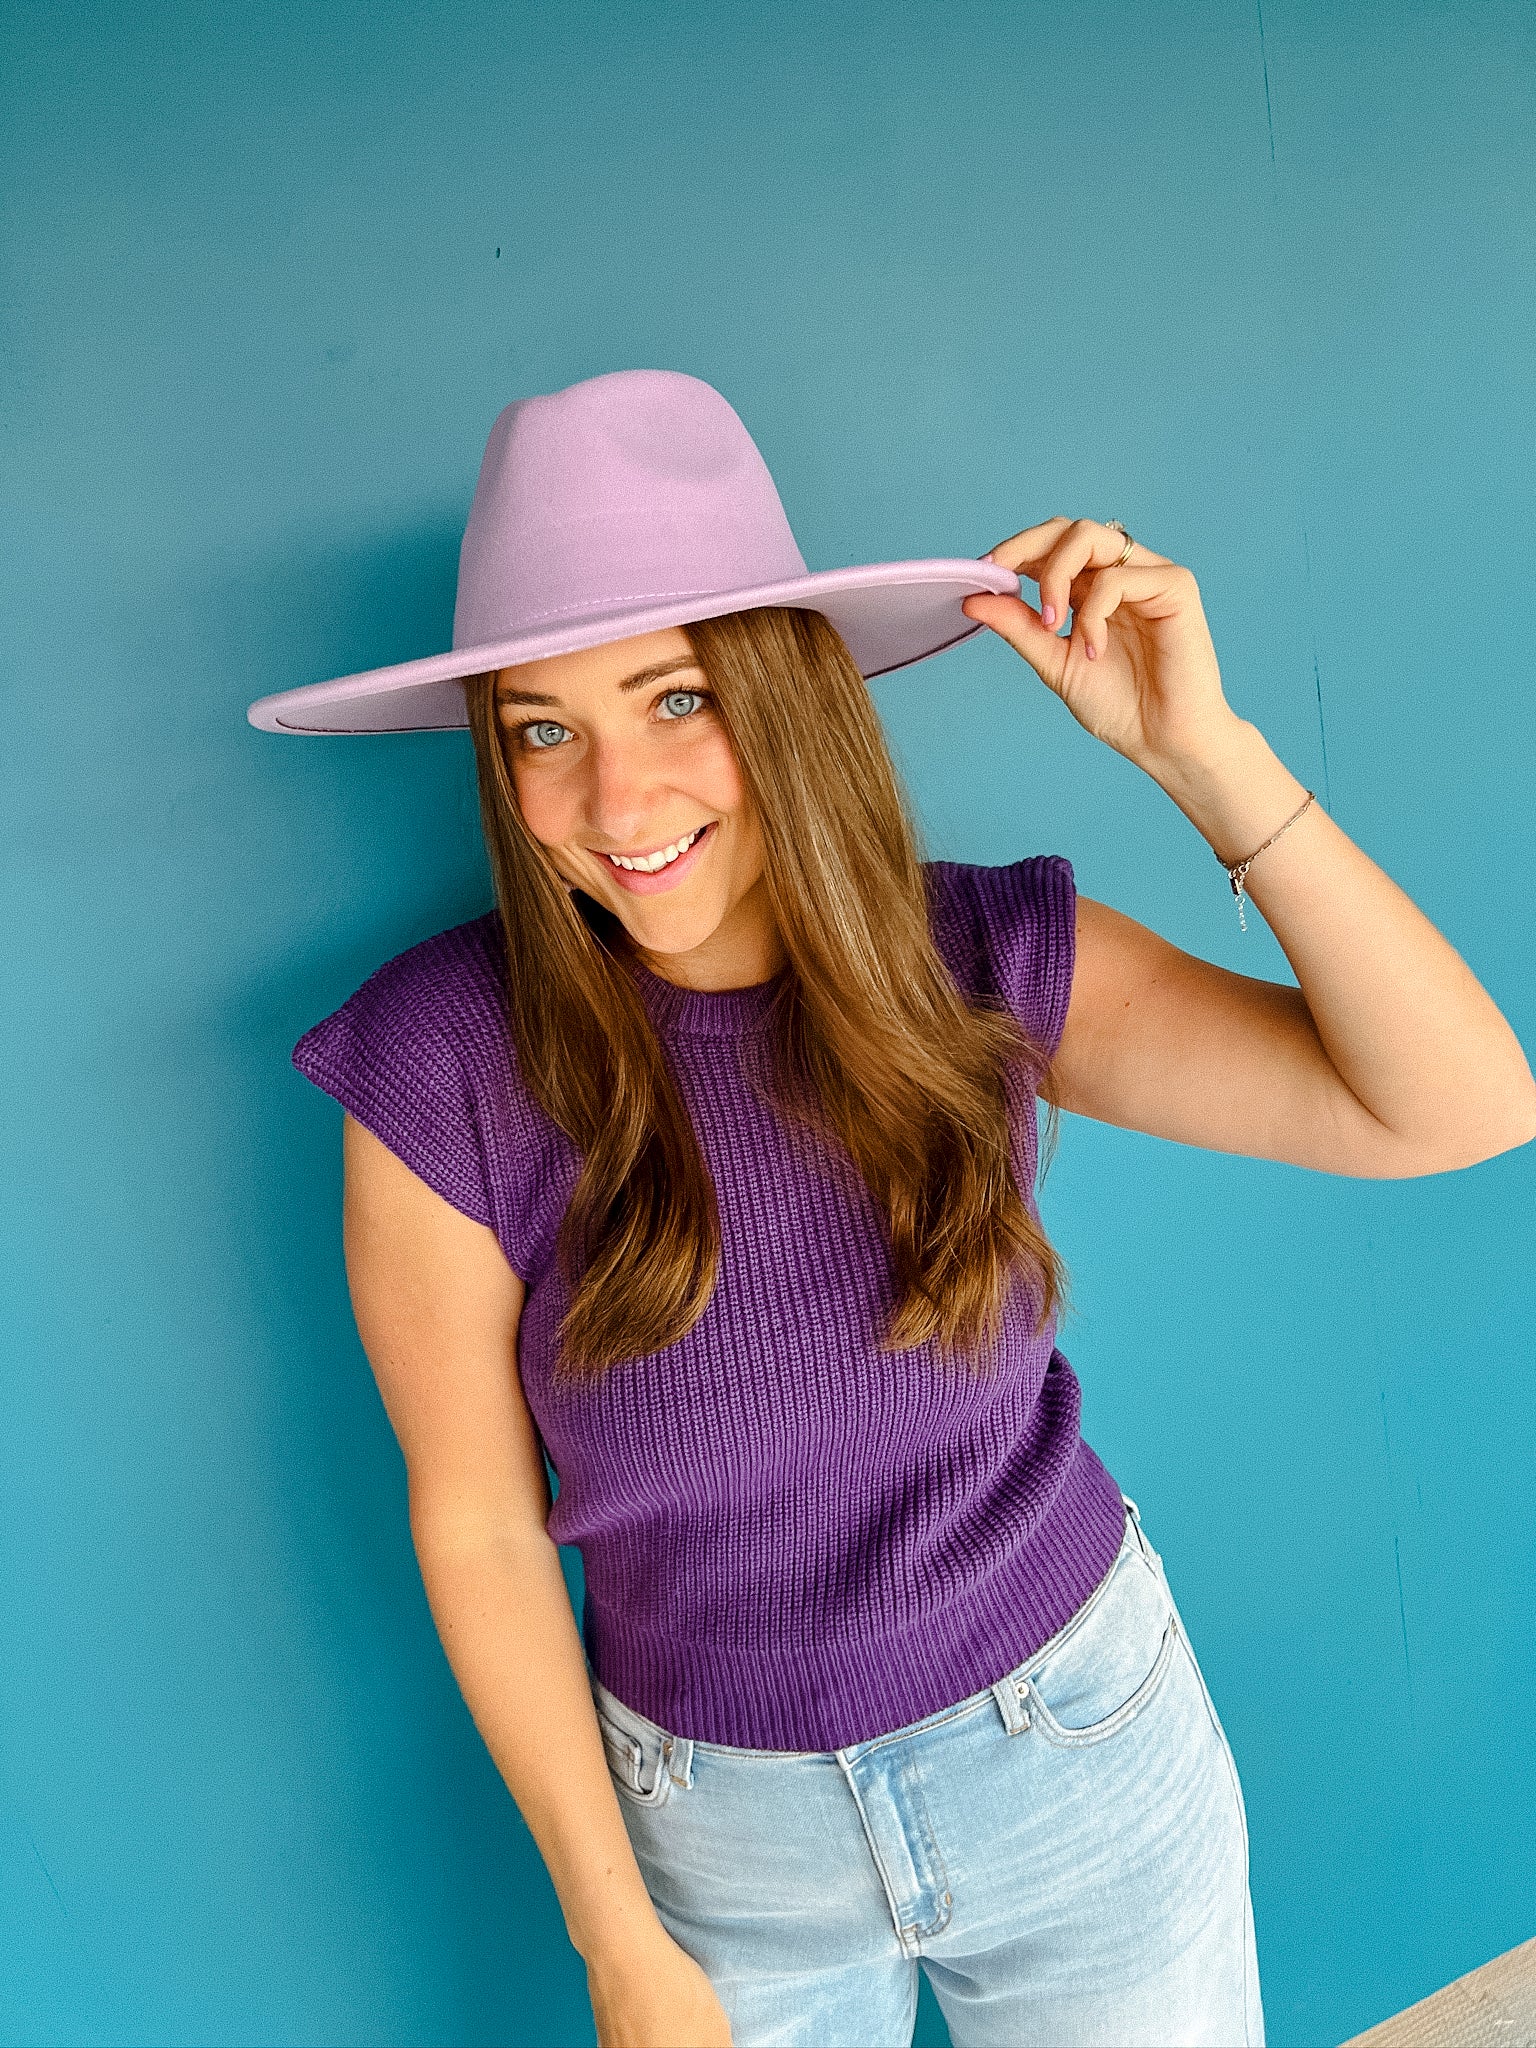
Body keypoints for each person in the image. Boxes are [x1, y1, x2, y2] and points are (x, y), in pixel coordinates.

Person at [249, 370, 1536, 2048]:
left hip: (1074, 1745)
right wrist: (617, 1945)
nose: (616, 806)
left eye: (677, 701)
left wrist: (1200, 756)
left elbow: (1459, 1108)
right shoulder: (441, 1057)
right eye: (543, 731)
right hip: (719, 1841)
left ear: (789, 700)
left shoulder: (983, 961)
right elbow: (479, 1523)